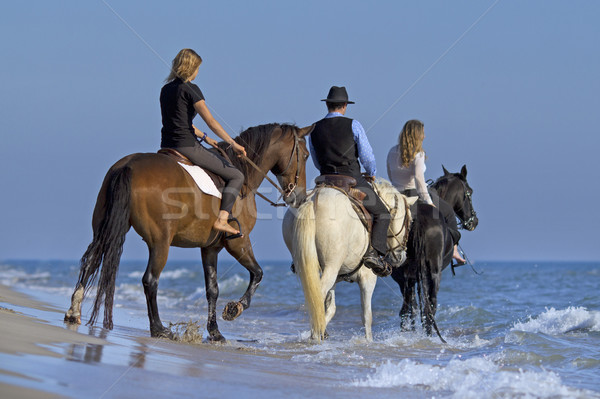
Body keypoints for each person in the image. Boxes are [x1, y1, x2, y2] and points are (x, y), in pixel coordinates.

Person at [160, 48, 246, 237]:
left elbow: (182, 122)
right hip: (187, 146)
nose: (198, 72)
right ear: (191, 68)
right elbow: (211, 121)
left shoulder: (166, 89)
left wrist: (207, 139)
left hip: (167, 145)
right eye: (197, 68)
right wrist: (232, 143)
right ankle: (222, 219)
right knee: (237, 176)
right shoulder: (191, 89)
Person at [309, 86, 391, 275]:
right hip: (352, 180)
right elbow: (367, 157)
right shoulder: (354, 125)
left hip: (324, 181)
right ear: (345, 106)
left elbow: (315, 159)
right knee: (383, 213)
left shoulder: (314, 129)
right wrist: (371, 172)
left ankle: (299, 259)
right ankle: (374, 253)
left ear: (328, 105)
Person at [386, 119, 466, 264]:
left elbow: (390, 174)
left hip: (395, 196)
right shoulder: (418, 154)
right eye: (423, 133)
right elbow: (419, 180)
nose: (425, 136)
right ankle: (454, 250)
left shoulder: (392, 151)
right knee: (448, 211)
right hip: (413, 195)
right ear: (417, 134)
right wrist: (429, 202)